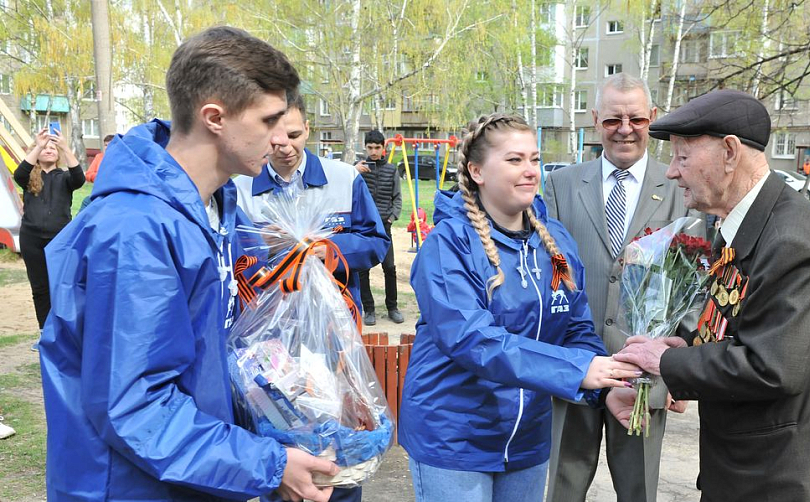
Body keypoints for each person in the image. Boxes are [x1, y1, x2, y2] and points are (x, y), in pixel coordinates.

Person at [39, 26, 340, 501]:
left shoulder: (217, 206)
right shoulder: (135, 229)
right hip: (129, 486)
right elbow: (134, 406)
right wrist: (266, 464)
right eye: (267, 121)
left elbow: (209, 349)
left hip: (193, 470)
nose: (281, 138)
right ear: (214, 117)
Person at [613, 89, 810, 501]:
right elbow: (740, 326)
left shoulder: (790, 238)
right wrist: (685, 347)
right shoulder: (745, 226)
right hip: (749, 471)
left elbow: (773, 366)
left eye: (683, 157)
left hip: (784, 480)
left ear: (729, 152)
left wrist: (669, 362)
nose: (672, 172)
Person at [399, 113, 641, 502]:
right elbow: (472, 340)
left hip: (526, 440)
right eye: (514, 160)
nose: (530, 171)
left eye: (534, 159)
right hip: (455, 439)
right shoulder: (449, 244)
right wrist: (577, 370)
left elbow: (576, 326)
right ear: (477, 171)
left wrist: (606, 390)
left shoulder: (555, 244)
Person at [544, 73, 694, 502]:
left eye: (636, 118)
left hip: (643, 375)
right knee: (562, 488)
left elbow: (695, 285)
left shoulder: (681, 189)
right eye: (612, 119)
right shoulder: (561, 184)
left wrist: (674, 372)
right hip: (576, 368)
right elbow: (548, 274)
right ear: (595, 120)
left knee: (638, 489)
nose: (625, 128)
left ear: (653, 118)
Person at [234, 95, 389, 318]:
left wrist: (333, 250)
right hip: (265, 323)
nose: (286, 147)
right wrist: (259, 246)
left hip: (333, 319)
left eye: (294, 135)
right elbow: (225, 259)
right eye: (275, 138)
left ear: (307, 129)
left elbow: (376, 242)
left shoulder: (345, 179)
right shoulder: (239, 191)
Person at [13, 127, 83, 347]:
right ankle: (45, 332)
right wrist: (39, 144)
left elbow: (80, 178)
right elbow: (19, 173)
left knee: (62, 286)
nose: (49, 150)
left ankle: (64, 333)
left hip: (61, 240)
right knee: (40, 287)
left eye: (53, 148)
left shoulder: (65, 178)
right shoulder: (28, 178)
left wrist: (63, 145)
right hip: (31, 239)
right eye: (45, 148)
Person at [354, 130, 404, 325]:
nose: (373, 151)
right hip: (363, 227)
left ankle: (392, 307)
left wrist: (392, 218)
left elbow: (397, 197)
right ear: (365, 147)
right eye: (370, 147)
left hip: (385, 226)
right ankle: (369, 309)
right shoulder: (357, 169)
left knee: (389, 267)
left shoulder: (392, 170)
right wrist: (354, 171)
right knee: (362, 269)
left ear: (384, 148)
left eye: (377, 147)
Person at [78, 134, 115, 212]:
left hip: (112, 194)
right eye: (105, 145)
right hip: (98, 192)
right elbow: (88, 175)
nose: (108, 147)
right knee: (86, 202)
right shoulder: (99, 157)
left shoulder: (120, 159)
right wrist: (100, 177)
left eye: (110, 144)